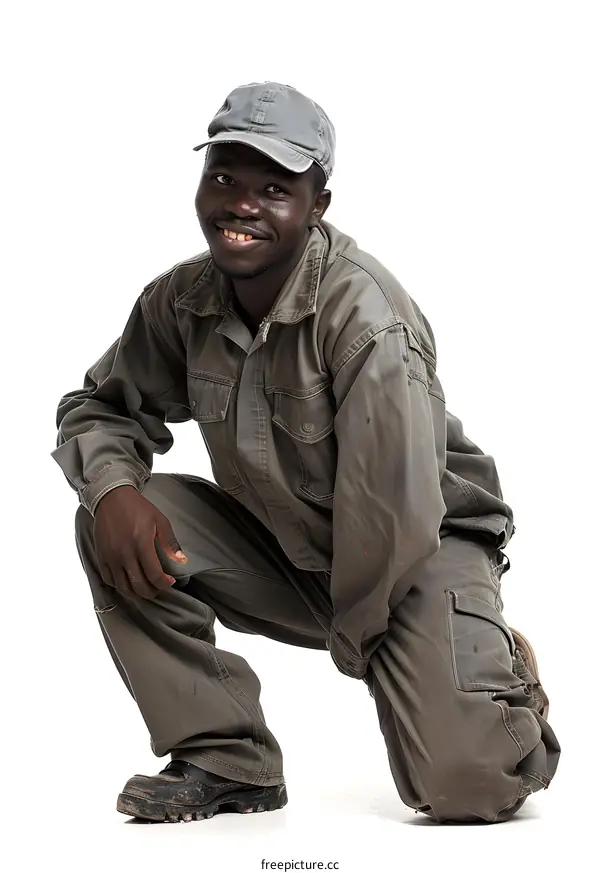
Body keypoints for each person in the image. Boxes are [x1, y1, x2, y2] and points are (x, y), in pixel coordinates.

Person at [52, 81, 560, 825]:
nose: (241, 205)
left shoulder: (368, 319)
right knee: (120, 515)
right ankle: (227, 758)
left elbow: (395, 515)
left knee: (466, 787)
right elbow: (99, 407)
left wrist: (381, 654)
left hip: (417, 554)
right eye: (224, 177)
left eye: (274, 189)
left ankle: (493, 674)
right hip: (291, 547)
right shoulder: (181, 300)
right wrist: (113, 490)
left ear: (318, 204)